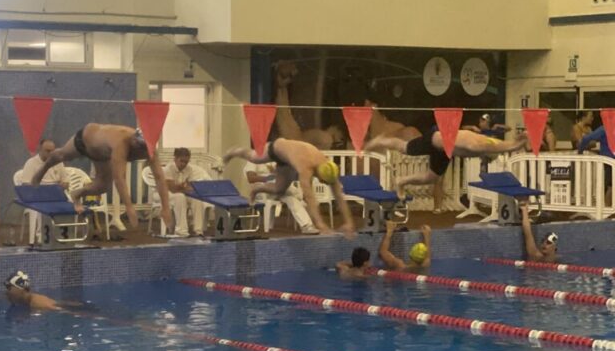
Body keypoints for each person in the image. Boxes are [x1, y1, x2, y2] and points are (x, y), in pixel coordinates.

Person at [33, 123, 172, 232]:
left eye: (140, 147)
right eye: (135, 144)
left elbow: (160, 178)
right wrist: (129, 207)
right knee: (62, 155)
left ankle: (77, 194)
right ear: (134, 140)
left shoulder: (150, 151)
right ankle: (41, 170)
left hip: (102, 155)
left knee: (103, 186)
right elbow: (119, 178)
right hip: (86, 140)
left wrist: (165, 207)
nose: (136, 148)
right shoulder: (122, 143)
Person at [224, 138, 355, 236]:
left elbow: (338, 195)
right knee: (254, 158)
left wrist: (349, 222)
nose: (326, 184)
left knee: (279, 189)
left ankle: (257, 189)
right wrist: (320, 224)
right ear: (319, 175)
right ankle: (234, 152)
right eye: (324, 182)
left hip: (289, 162)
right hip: (277, 149)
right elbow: (310, 199)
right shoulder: (306, 168)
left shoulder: (327, 166)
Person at [365, 128, 526, 196]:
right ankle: (380, 141)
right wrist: (514, 144)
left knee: (432, 177)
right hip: (435, 140)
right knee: (404, 147)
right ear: (487, 154)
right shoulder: (478, 146)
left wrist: (515, 144)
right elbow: (484, 146)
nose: (481, 160)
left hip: (445, 150)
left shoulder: (486, 144)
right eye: (485, 159)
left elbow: (500, 145)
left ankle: (402, 181)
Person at [244, 160, 319, 235]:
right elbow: (251, 178)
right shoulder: (253, 160)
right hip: (263, 190)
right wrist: (268, 178)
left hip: (278, 190)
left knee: (291, 199)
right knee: (291, 192)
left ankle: (307, 226)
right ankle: (300, 195)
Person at [163, 147, 210, 236]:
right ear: (175, 159)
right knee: (179, 197)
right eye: (181, 161)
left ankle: (198, 230)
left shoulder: (189, 169)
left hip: (181, 193)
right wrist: (182, 187)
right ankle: (181, 231)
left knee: (197, 198)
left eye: (186, 162)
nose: (184, 164)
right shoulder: (168, 169)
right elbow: (172, 189)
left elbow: (190, 186)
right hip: (165, 193)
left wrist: (183, 187)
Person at [577, 123, 613, 201]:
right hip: (609, 161)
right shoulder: (605, 129)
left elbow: (586, 139)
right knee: (609, 185)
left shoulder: (605, 128)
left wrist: (580, 150)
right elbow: (586, 139)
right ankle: (607, 208)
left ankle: (607, 207)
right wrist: (580, 151)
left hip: (608, 160)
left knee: (609, 185)